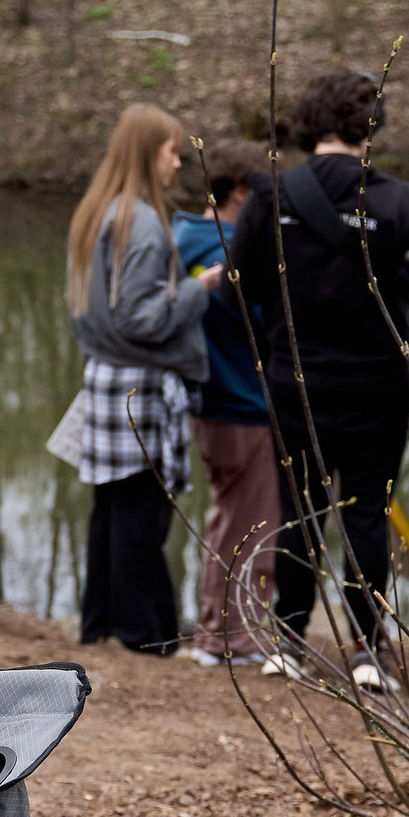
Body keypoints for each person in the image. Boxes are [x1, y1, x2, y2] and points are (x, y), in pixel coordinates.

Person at [228, 70, 409, 692]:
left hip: (291, 381)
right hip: (377, 388)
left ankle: (288, 641)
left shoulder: (268, 198)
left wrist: (281, 334)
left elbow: (240, 291)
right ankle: (366, 650)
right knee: (364, 511)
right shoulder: (399, 204)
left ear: (308, 124)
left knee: (297, 508)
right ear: (371, 125)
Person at [68, 105, 220, 654]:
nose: (177, 164)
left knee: (112, 507)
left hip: (105, 375)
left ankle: (100, 623)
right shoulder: (143, 224)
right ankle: (144, 634)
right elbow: (140, 317)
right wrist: (201, 287)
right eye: (170, 152)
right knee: (143, 512)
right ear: (146, 153)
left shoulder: (97, 211)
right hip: (141, 386)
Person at [173, 138, 277, 666]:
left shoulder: (180, 235)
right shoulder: (238, 248)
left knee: (227, 515)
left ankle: (217, 627)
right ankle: (228, 637)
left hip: (205, 406)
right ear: (241, 191)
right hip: (243, 404)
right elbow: (267, 321)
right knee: (249, 523)